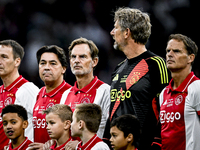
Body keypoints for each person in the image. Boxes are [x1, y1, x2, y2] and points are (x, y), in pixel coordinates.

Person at [103, 7, 170, 150]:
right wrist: (105, 140)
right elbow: (113, 110)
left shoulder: (157, 64)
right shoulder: (118, 69)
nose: (112, 32)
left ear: (127, 32)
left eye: (115, 28)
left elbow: (166, 108)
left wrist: (157, 142)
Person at [60, 37, 110, 138]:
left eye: (82, 57)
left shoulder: (105, 91)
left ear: (94, 62)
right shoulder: (65, 94)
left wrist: (80, 145)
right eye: (73, 57)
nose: (76, 61)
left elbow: (108, 131)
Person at [159, 34, 200, 150]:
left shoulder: (196, 87)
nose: (169, 55)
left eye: (176, 51)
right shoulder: (163, 93)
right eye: (168, 51)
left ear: (190, 58)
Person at [29, 45, 71, 149]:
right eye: (43, 63)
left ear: (63, 69)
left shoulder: (70, 94)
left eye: (53, 63)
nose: (46, 67)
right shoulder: (39, 93)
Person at [0, 40, 39, 149]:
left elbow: (46, 125)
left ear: (17, 62)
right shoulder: (0, 91)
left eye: (4, 57)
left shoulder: (28, 90)